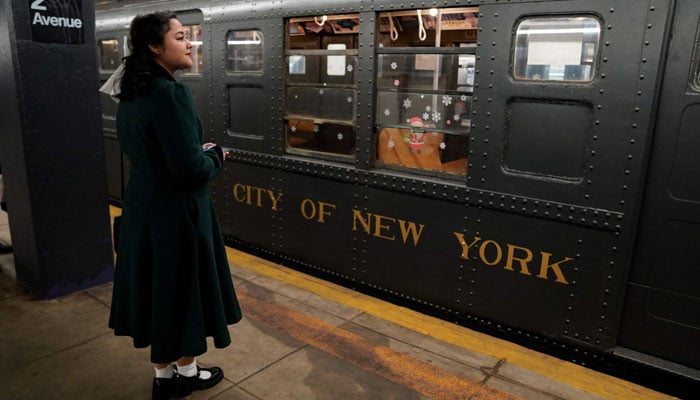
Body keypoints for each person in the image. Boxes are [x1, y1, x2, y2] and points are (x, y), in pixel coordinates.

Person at [106, 12, 242, 400]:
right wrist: (217, 155)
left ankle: (168, 374)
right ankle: (184, 373)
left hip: (144, 208)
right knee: (184, 291)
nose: (189, 44)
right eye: (181, 37)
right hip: (177, 214)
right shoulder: (171, 93)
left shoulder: (130, 89)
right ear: (154, 46)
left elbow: (153, 150)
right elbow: (189, 170)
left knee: (159, 290)